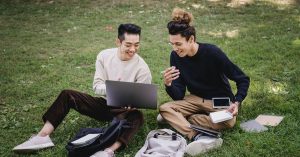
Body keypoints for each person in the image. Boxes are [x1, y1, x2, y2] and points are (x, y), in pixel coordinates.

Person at [13, 23, 152, 157]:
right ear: (118, 42)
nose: (133, 49)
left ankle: (108, 151)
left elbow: (142, 97)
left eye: (136, 45)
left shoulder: (142, 68)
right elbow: (97, 86)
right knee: (67, 94)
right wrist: (117, 91)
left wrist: (132, 102)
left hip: (124, 110)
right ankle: (42, 136)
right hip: (104, 104)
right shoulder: (104, 56)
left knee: (137, 116)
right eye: (128, 45)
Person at [158, 8, 250, 156]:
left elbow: (242, 79)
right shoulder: (175, 56)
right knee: (164, 109)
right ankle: (196, 135)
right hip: (194, 99)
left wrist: (237, 102)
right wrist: (169, 84)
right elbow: (179, 94)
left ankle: (183, 119)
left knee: (229, 122)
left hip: (218, 100)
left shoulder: (212, 52)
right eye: (172, 44)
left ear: (191, 39)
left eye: (178, 44)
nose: (175, 49)